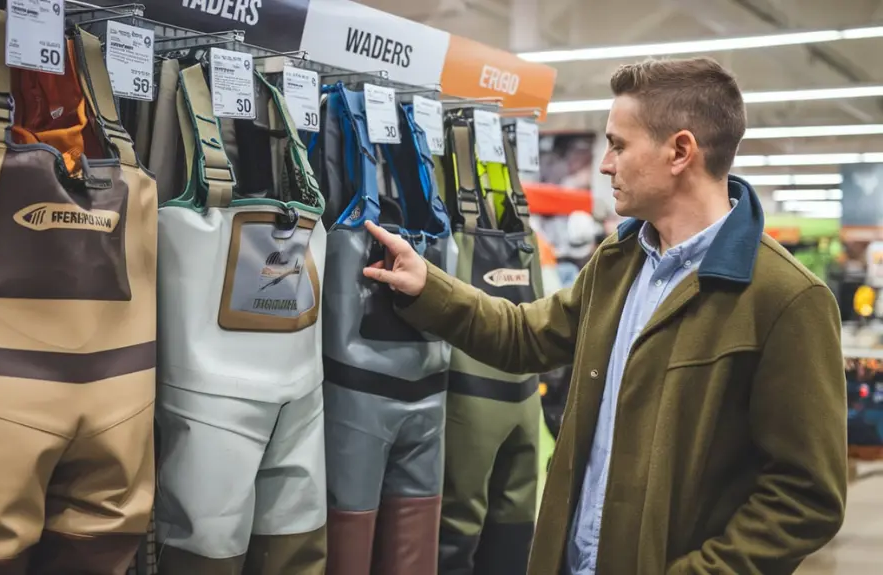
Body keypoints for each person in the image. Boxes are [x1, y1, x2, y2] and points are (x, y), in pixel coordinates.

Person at [362, 56, 847, 575]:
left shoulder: (786, 298)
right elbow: (527, 336)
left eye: (618, 144)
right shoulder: (619, 264)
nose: (605, 164)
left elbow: (805, 497)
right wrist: (426, 285)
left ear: (680, 150)